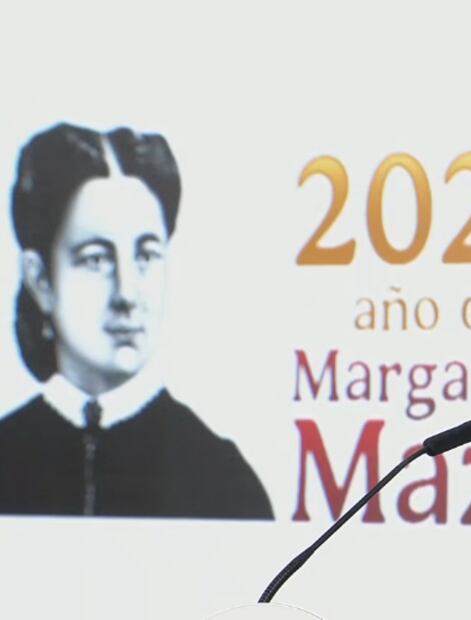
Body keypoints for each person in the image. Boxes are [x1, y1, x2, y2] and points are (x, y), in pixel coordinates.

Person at [0, 123, 273, 520]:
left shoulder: (221, 479)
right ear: (40, 279)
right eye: (97, 259)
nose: (127, 294)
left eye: (146, 256)